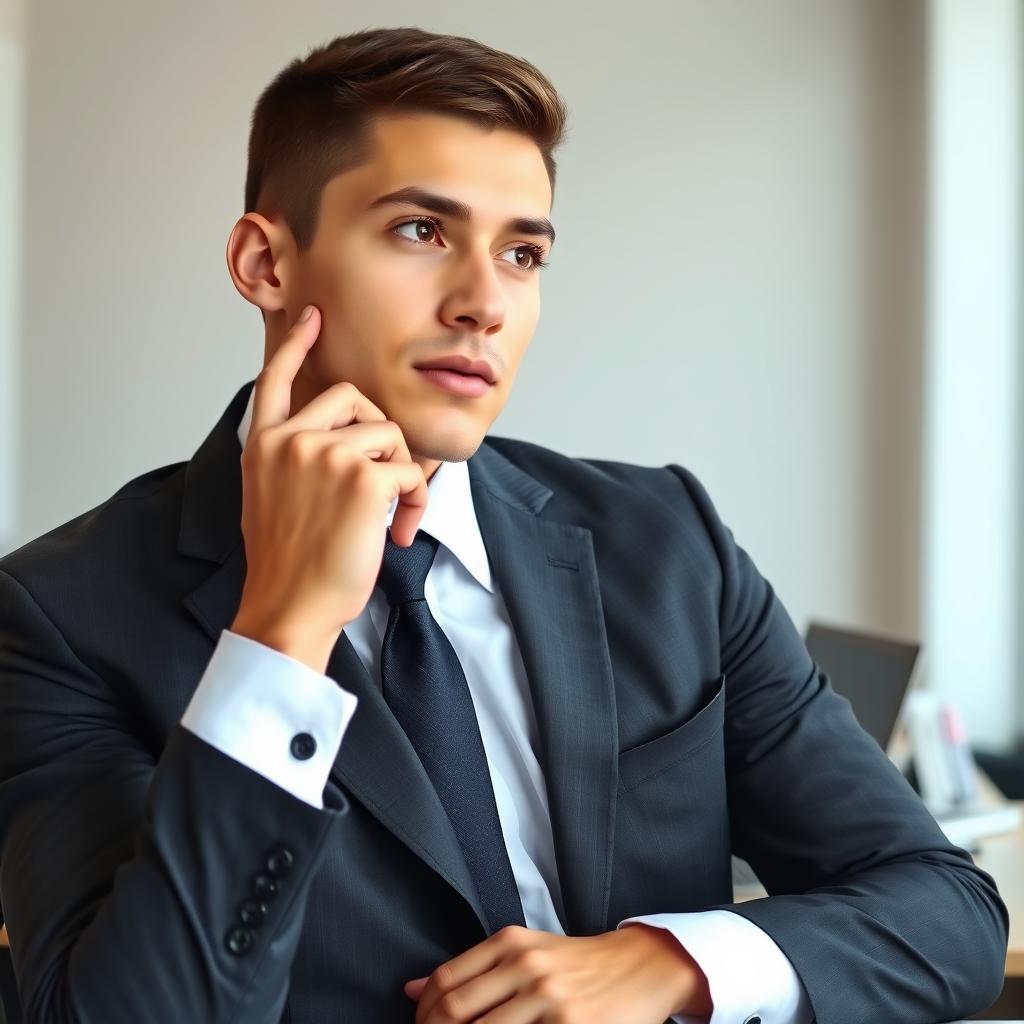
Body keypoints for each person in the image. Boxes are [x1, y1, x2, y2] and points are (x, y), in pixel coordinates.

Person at [0, 25, 1008, 1024]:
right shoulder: (58, 615)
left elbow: (945, 908)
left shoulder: (665, 543)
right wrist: (281, 633)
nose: (484, 301)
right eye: (421, 231)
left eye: (522, 252)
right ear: (266, 262)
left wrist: (668, 963)